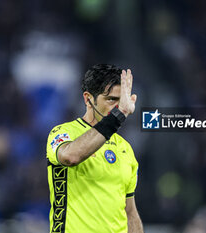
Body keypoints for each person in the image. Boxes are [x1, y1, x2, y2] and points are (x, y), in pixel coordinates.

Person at [46, 64, 143, 233]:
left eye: (122, 101)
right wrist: (119, 115)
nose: (119, 107)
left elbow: (130, 213)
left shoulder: (125, 148)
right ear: (88, 98)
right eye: (111, 99)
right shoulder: (63, 133)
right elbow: (70, 156)